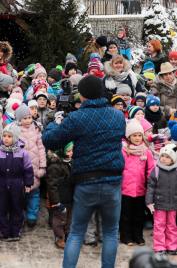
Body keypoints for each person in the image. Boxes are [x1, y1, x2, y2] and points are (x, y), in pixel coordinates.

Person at [42, 75, 125, 268]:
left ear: (81, 94)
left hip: (85, 182)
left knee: (77, 232)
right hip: (112, 182)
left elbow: (50, 140)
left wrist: (56, 122)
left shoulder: (77, 117)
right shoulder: (118, 116)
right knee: (111, 232)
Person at [120, 119, 156, 246]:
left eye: (139, 135)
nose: (137, 138)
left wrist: (150, 184)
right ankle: (126, 236)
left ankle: (138, 235)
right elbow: (120, 169)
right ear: (129, 136)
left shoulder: (146, 150)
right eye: (134, 135)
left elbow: (151, 169)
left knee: (139, 215)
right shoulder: (124, 151)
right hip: (126, 189)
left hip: (141, 189)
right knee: (126, 215)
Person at [146, 144, 177, 255]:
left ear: (173, 159)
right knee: (159, 225)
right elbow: (150, 187)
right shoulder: (156, 170)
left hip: (173, 204)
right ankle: (159, 247)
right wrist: (149, 202)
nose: (163, 158)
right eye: (162, 156)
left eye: (167, 157)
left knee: (172, 226)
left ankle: (171, 246)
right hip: (159, 204)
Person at [15, 104, 46, 228]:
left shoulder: (36, 129)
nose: (28, 120)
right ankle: (20, 215)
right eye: (24, 118)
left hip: (35, 167)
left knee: (34, 194)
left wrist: (43, 167)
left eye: (29, 117)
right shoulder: (15, 131)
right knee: (20, 194)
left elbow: (41, 148)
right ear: (19, 119)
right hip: (20, 168)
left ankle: (32, 216)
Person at [46, 143, 74, 249]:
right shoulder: (54, 166)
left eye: (72, 150)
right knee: (59, 219)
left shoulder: (70, 163)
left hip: (70, 198)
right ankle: (59, 236)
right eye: (68, 151)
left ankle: (68, 236)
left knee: (69, 219)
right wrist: (56, 201)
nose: (71, 153)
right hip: (61, 200)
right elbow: (52, 186)